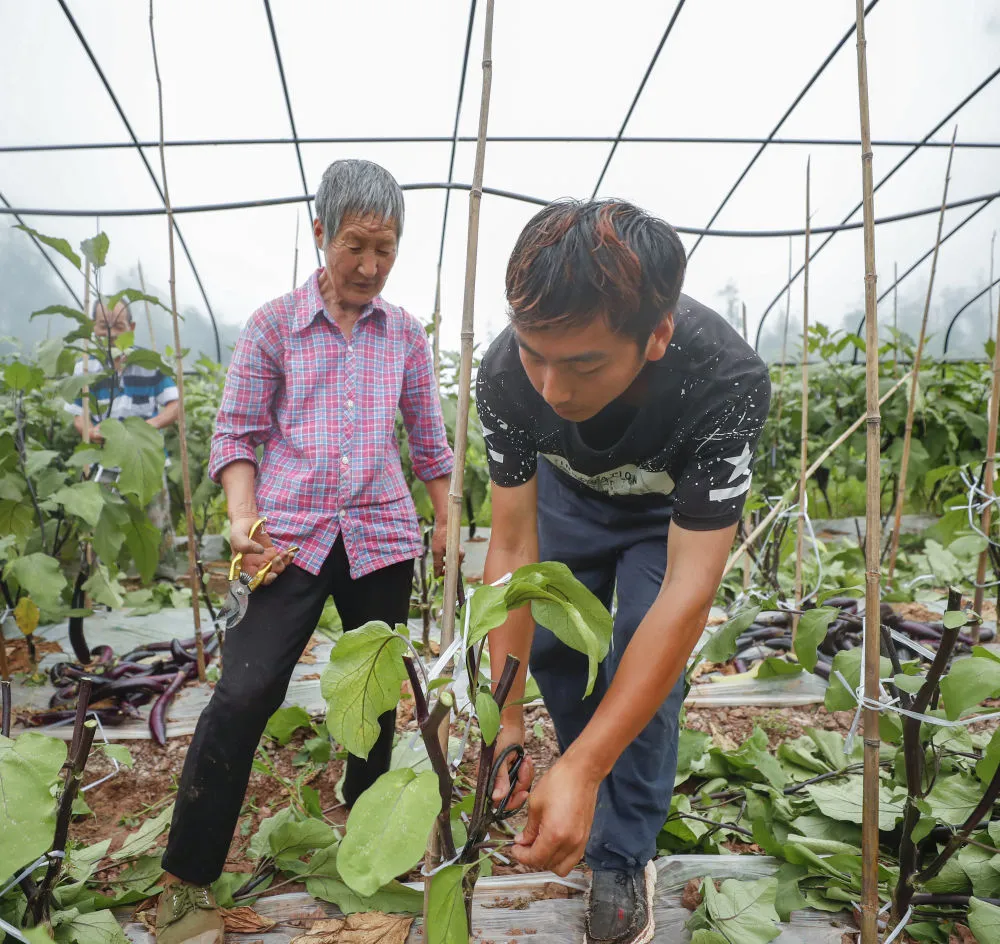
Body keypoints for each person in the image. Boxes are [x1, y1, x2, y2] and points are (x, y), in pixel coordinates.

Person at [155, 159, 456, 944]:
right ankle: (188, 880)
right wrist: (242, 515)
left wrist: (449, 516)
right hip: (286, 537)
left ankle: (368, 852)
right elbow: (237, 434)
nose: (369, 266)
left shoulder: (405, 336)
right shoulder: (272, 326)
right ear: (319, 232)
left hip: (382, 536)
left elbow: (429, 441)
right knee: (245, 692)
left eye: (385, 249)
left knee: (371, 700)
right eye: (355, 245)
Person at [476, 199, 771, 944]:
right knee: (551, 640)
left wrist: (584, 765)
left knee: (646, 644)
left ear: (657, 335)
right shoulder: (506, 377)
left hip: (665, 515)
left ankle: (621, 853)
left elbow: (689, 588)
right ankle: (584, 769)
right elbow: (512, 551)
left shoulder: (724, 380)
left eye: (582, 364)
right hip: (571, 498)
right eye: (533, 352)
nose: (550, 387)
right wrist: (506, 717)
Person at [65, 300, 179, 540]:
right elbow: (79, 416)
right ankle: (102, 570)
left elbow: (175, 406)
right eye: (103, 326)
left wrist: (149, 427)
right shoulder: (85, 367)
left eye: (118, 325)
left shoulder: (150, 363)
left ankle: (162, 570)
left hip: (145, 456)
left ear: (131, 327)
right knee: (100, 518)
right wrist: (92, 432)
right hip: (104, 456)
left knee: (155, 516)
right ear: (93, 328)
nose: (110, 334)